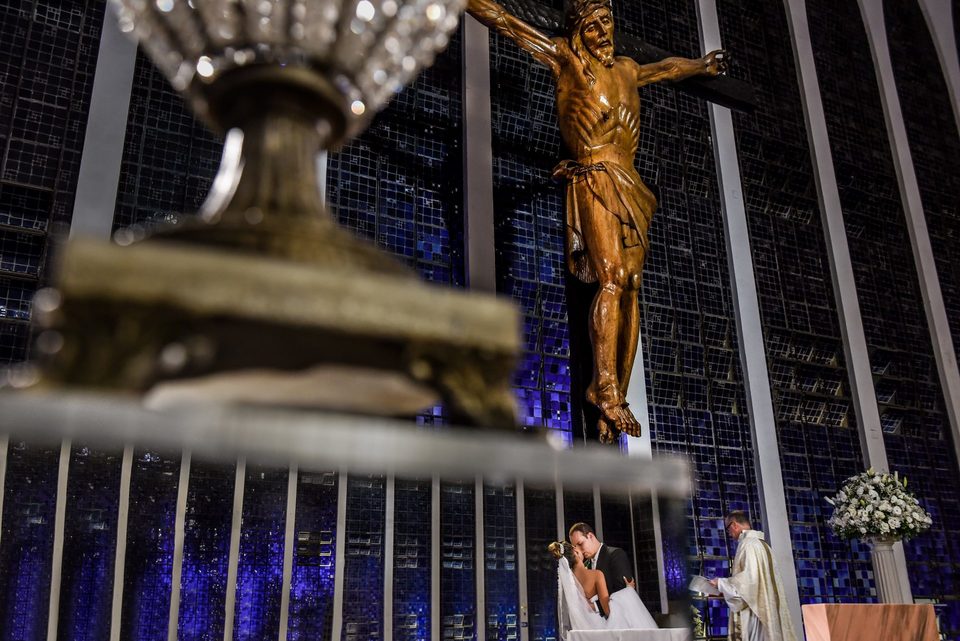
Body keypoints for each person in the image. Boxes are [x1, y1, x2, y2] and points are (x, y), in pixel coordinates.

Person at [466, 0, 726, 442]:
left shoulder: (626, 68)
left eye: (607, 22)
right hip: (593, 173)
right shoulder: (565, 59)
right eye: (593, 25)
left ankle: (615, 392)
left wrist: (701, 65)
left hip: (631, 182)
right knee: (611, 276)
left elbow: (665, 69)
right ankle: (602, 386)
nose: (603, 32)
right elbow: (507, 23)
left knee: (632, 283)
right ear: (578, 30)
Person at [709, 511, 798, 641]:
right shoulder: (762, 545)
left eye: (728, 529)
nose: (730, 534)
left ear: (734, 525)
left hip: (754, 613)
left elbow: (748, 583)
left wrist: (720, 583)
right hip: (765, 607)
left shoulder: (748, 545)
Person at [550, 540, 658, 633]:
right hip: (597, 627)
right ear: (576, 552)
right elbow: (608, 610)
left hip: (581, 630)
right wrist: (628, 591)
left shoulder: (568, 583)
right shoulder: (596, 575)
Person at [569, 521, 632, 608]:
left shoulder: (616, 555)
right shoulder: (585, 566)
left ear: (590, 536)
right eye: (576, 547)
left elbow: (622, 593)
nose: (579, 550)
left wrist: (593, 606)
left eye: (580, 544)